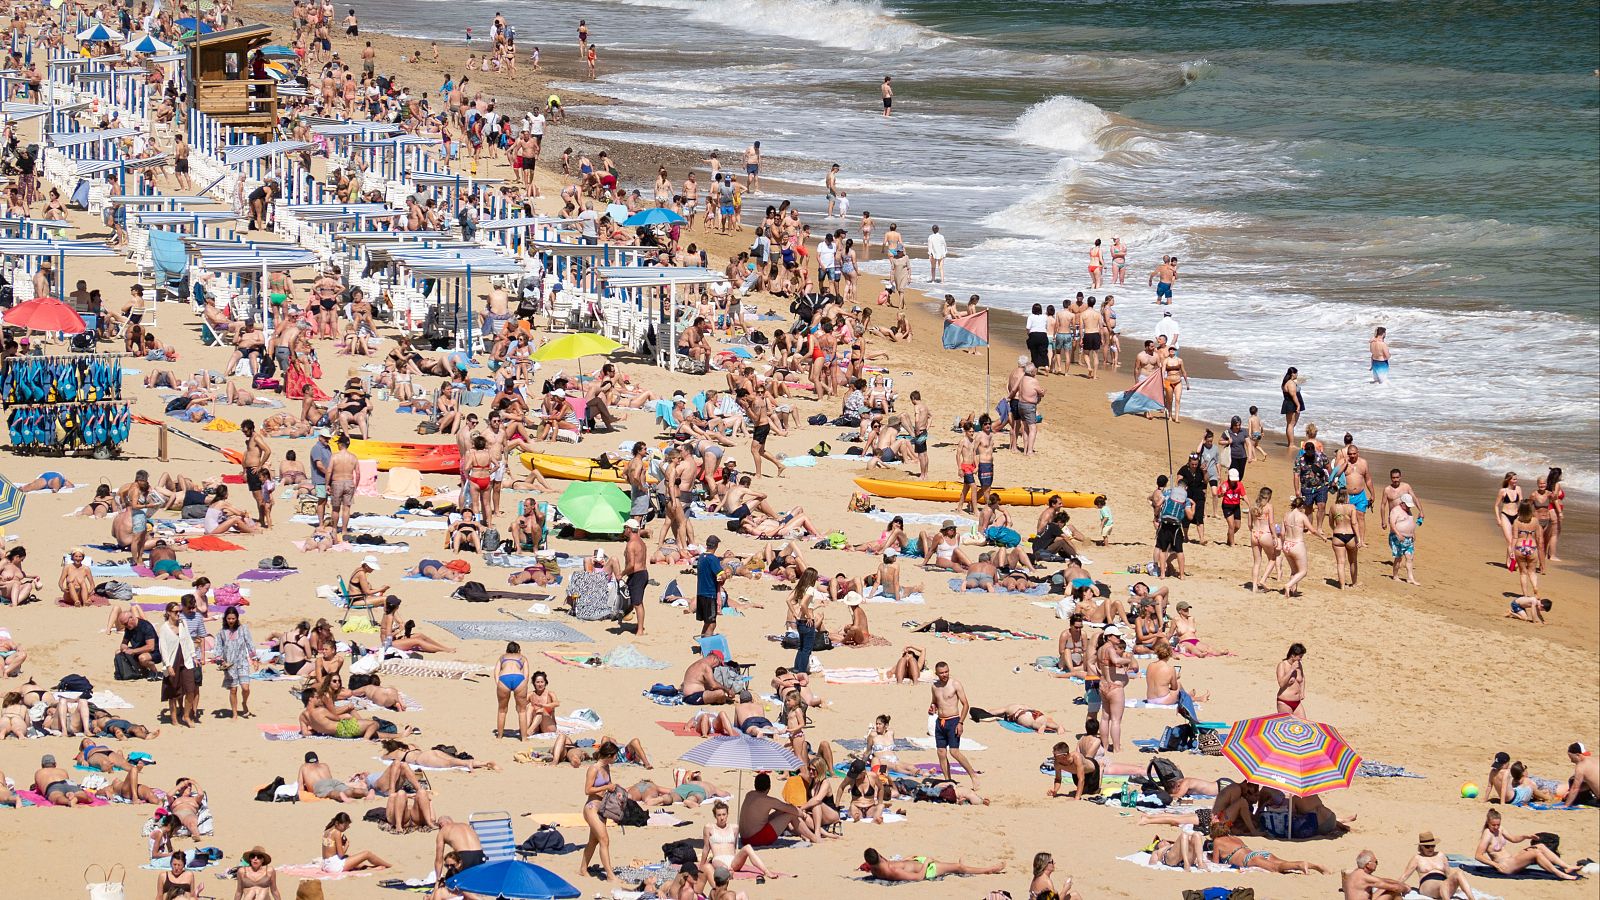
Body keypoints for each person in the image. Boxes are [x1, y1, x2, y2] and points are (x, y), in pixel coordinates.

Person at [1473, 808, 1581, 879]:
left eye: (1498, 824)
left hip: (1511, 859)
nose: (1496, 827)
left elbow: (1513, 839)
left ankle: (1566, 866)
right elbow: (1478, 855)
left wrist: (1526, 836)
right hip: (1505, 866)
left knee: (1540, 846)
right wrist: (1495, 865)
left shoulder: (1500, 829)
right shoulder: (1487, 835)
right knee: (1536, 853)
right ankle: (1559, 874)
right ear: (1488, 823)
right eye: (1493, 825)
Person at [929, 661, 980, 788]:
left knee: (954, 752)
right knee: (941, 752)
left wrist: (960, 722)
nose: (944, 674)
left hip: (953, 721)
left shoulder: (955, 684)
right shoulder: (934, 686)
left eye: (946, 671)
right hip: (940, 722)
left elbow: (966, 704)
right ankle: (948, 780)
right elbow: (934, 702)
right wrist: (932, 707)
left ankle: (973, 775)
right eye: (941, 673)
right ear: (937, 673)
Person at [1210, 820, 1328, 874]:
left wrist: (1210, 856)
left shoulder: (1217, 841)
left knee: (1276, 868)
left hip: (1250, 859)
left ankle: (1301, 864)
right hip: (1257, 853)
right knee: (1284, 863)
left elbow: (1215, 862)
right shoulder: (1235, 838)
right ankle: (1314, 865)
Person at [740, 772, 821, 846]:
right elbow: (793, 810)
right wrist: (803, 814)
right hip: (756, 839)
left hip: (744, 839)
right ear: (769, 787)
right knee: (791, 815)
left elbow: (784, 808)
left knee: (782, 811)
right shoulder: (769, 801)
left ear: (755, 785)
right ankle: (814, 838)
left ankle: (803, 834)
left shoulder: (749, 794)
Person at [580, 741, 620, 880]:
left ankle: (583, 869)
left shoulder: (607, 767)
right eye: (615, 756)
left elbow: (608, 785)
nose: (616, 758)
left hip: (602, 808)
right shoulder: (594, 769)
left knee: (594, 841)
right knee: (604, 839)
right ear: (609, 755)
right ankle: (610, 875)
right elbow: (587, 790)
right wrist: (605, 788)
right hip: (591, 808)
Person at [703, 800, 772, 877]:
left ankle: (766, 871)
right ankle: (728, 873)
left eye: (724, 814)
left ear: (727, 815)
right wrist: (702, 865)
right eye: (719, 815)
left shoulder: (734, 827)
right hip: (718, 859)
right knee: (724, 868)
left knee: (748, 847)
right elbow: (706, 848)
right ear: (715, 816)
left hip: (733, 860)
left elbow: (734, 846)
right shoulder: (709, 827)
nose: (722, 818)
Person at [1400, 832, 1476, 900]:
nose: (1430, 848)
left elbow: (1448, 874)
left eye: (1432, 846)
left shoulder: (1441, 855)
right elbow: (1405, 876)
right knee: (1442, 884)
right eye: (1427, 846)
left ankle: (1471, 898)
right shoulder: (1417, 858)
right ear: (1421, 847)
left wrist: (1456, 885)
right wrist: (1394, 887)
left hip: (1444, 884)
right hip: (1427, 884)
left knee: (1459, 873)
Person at [861, 848, 1004, 882]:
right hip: (928, 870)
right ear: (879, 856)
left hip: (918, 863)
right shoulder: (891, 871)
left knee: (950, 866)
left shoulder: (875, 868)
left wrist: (906, 860)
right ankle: (989, 870)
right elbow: (918, 878)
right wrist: (926, 863)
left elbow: (896, 864)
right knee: (959, 867)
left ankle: (958, 868)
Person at [215, 606, 255, 719]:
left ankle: (244, 703)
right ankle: (234, 713)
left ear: (237, 618)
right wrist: (220, 661)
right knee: (233, 689)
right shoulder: (222, 632)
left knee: (245, 688)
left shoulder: (243, 629)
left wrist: (254, 658)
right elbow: (218, 648)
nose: (231, 621)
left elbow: (250, 643)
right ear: (225, 619)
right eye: (229, 618)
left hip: (242, 662)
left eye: (233, 618)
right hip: (229, 665)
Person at [322, 811, 390, 873]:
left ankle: (369, 868)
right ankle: (389, 866)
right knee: (367, 854)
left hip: (326, 864)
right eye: (344, 826)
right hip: (333, 866)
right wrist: (346, 845)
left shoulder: (327, 831)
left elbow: (331, 850)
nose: (345, 829)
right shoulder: (337, 832)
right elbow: (341, 855)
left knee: (350, 857)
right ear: (337, 823)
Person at [494, 641, 530, 739]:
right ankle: (524, 738)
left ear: (507, 650)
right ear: (518, 650)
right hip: (519, 679)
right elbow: (526, 675)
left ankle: (500, 736)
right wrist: (524, 685)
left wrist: (499, 683)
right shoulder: (522, 658)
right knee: (522, 711)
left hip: (504, 678)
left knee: (502, 710)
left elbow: (496, 672)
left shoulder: (502, 657)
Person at [1342, 850, 1411, 900]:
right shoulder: (1364, 877)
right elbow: (1395, 888)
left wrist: (1400, 883)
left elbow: (1382, 880)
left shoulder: (1356, 873)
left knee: (1384, 888)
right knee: (1393, 892)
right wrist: (1406, 888)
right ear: (1368, 864)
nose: (1377, 864)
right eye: (1376, 862)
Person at [1388, 492, 1420, 585]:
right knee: (1398, 558)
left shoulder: (1408, 510)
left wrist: (1413, 533)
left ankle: (1410, 578)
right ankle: (1395, 576)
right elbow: (1392, 524)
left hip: (1409, 538)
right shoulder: (1395, 510)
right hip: (1397, 537)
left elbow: (1411, 522)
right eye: (1407, 505)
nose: (1409, 507)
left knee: (1409, 558)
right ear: (1402, 503)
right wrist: (1398, 534)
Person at [1560, 741, 1600, 807]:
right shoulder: (1597, 760)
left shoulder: (1581, 767)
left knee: (1572, 780)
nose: (1571, 761)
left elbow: (1575, 788)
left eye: (1571, 757)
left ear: (1578, 755)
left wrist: (1565, 805)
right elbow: (1592, 783)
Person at [1276, 642, 1307, 718]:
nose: (1301, 659)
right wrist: (1292, 669)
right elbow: (1281, 684)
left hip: (1297, 702)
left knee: (1304, 724)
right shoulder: (1282, 665)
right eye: (1300, 657)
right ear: (1293, 655)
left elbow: (1302, 679)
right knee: (1288, 727)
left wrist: (1302, 692)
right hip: (1285, 702)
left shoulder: (1299, 664)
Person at [1281, 367, 1305, 448]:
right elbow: (1293, 395)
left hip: (1289, 403)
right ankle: (1291, 444)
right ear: (1292, 374)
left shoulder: (1285, 382)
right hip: (1292, 404)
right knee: (1291, 424)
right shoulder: (1290, 383)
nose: (1297, 375)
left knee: (1290, 424)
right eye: (1296, 373)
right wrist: (1298, 405)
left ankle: (1290, 443)